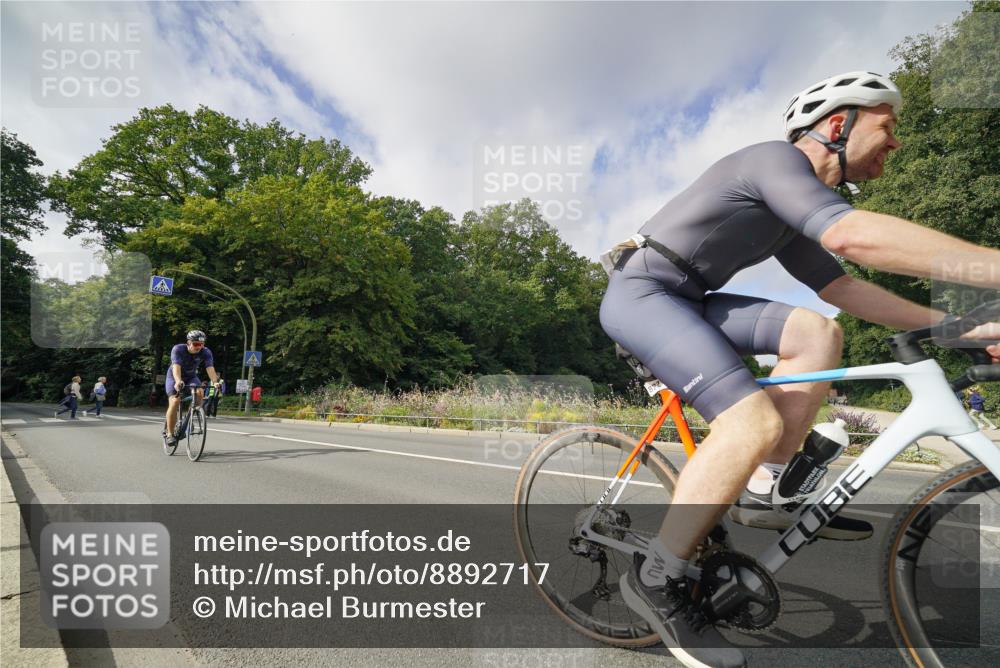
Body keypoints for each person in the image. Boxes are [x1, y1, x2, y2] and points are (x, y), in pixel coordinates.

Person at [600, 71, 1000, 668]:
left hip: (692, 300)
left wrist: (958, 327)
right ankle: (655, 577)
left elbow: (842, 288)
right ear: (838, 123)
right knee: (751, 422)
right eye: (886, 126)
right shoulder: (772, 161)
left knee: (818, 331)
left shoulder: (788, 213)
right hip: (643, 294)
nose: (895, 142)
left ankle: (764, 487)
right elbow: (853, 237)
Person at [164, 330, 220, 447]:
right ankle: (169, 434)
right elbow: (176, 367)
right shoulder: (178, 349)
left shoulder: (205, 351)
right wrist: (178, 381)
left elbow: (210, 368)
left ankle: (188, 418)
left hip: (191, 377)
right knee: (175, 401)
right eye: (196, 344)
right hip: (174, 377)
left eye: (201, 344)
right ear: (188, 343)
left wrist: (215, 382)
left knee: (200, 392)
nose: (199, 347)